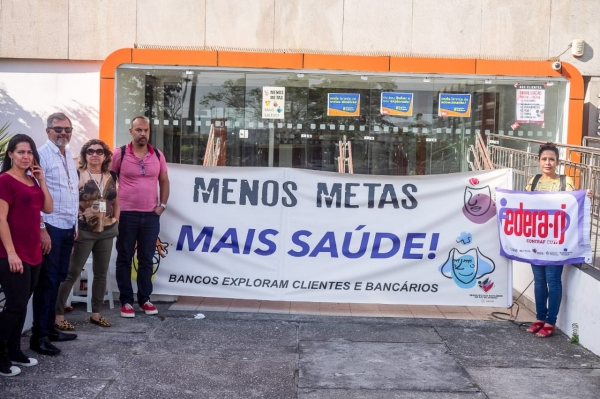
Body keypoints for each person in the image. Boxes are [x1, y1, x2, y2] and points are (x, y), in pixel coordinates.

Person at [524, 142, 593, 338]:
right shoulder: (533, 181)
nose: (548, 162)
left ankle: (550, 322)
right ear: (539, 161)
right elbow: (524, 205)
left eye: (551, 159)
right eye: (544, 159)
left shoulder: (566, 181)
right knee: (539, 281)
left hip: (557, 240)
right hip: (536, 239)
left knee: (553, 281)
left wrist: (585, 195)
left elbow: (574, 202)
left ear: (558, 162)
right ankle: (539, 318)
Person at [0, 134, 53, 377]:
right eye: (20, 152)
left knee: (22, 307)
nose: (25, 156)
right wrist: (11, 253)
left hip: (33, 253)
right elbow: (1, 219)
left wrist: (42, 180)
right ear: (10, 154)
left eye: (29, 152)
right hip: (12, 254)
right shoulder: (4, 181)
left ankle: (14, 351)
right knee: (15, 305)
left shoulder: (32, 181)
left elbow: (48, 208)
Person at [55, 140, 120, 329]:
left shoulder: (111, 176)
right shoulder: (77, 175)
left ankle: (96, 314)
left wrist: (116, 220)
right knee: (71, 273)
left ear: (105, 155)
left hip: (106, 230)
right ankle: (57, 316)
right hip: (84, 231)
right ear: (85, 155)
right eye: (90, 151)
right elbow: (70, 201)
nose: (95, 155)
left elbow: (117, 201)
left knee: (101, 274)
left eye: (99, 151)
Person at [30, 113, 79, 356]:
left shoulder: (68, 155)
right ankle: (38, 337)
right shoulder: (40, 155)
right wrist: (41, 229)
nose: (63, 133)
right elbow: (37, 195)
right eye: (58, 129)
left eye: (67, 129)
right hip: (50, 227)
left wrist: (74, 226)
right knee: (46, 283)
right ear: (48, 130)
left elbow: (71, 192)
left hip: (66, 227)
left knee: (57, 279)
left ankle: (50, 329)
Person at [112, 116, 169, 318]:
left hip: (150, 216)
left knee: (146, 259)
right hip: (126, 214)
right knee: (125, 257)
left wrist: (161, 206)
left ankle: (145, 299)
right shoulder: (120, 153)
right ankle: (126, 301)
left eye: (145, 130)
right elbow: (109, 182)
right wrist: (114, 211)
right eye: (138, 130)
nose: (142, 134)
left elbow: (164, 181)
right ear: (131, 131)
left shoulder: (158, 155)